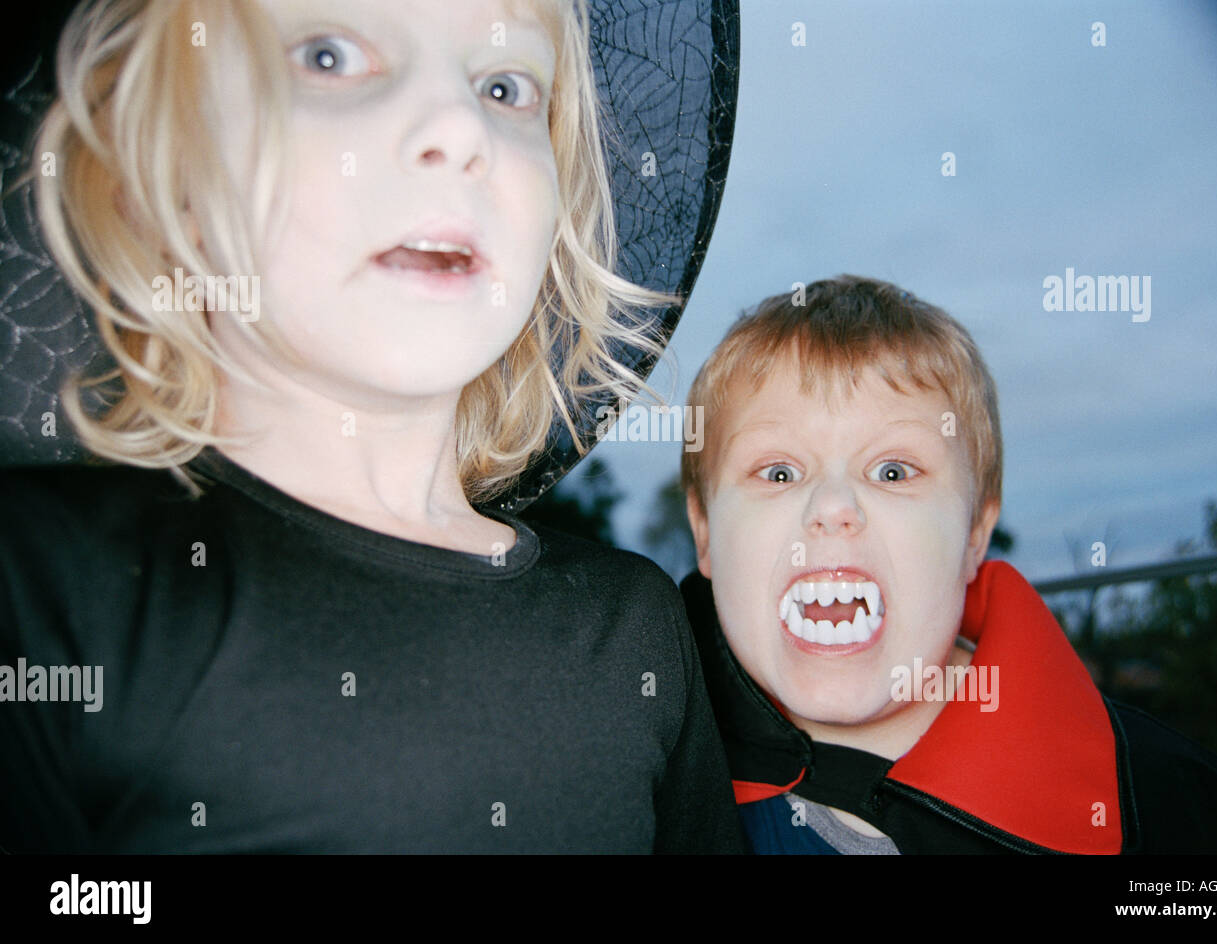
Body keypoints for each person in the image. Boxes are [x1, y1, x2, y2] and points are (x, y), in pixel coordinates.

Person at [0, 0, 744, 853]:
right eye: (328, 57)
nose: (457, 126)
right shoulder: (44, 590)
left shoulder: (629, 627)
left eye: (505, 86)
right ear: (168, 175)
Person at [678, 274, 1217, 853]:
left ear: (976, 531)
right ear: (704, 533)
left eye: (893, 471)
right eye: (778, 471)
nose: (834, 506)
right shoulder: (645, 783)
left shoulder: (1174, 811)